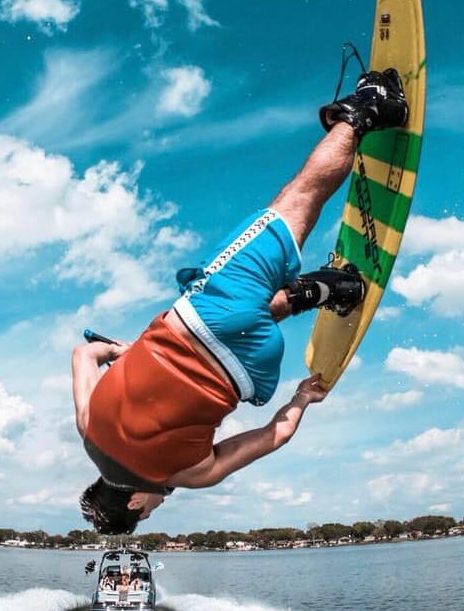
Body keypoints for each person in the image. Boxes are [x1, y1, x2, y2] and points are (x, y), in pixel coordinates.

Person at [73, 67, 408, 535]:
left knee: (253, 314)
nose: (156, 505)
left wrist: (303, 397)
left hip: (251, 371)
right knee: (295, 203)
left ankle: (325, 290)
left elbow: (277, 434)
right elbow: (83, 352)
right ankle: (368, 109)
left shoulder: (188, 476)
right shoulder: (88, 425)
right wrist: (122, 352)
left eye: (148, 511)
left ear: (132, 500)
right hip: (200, 320)